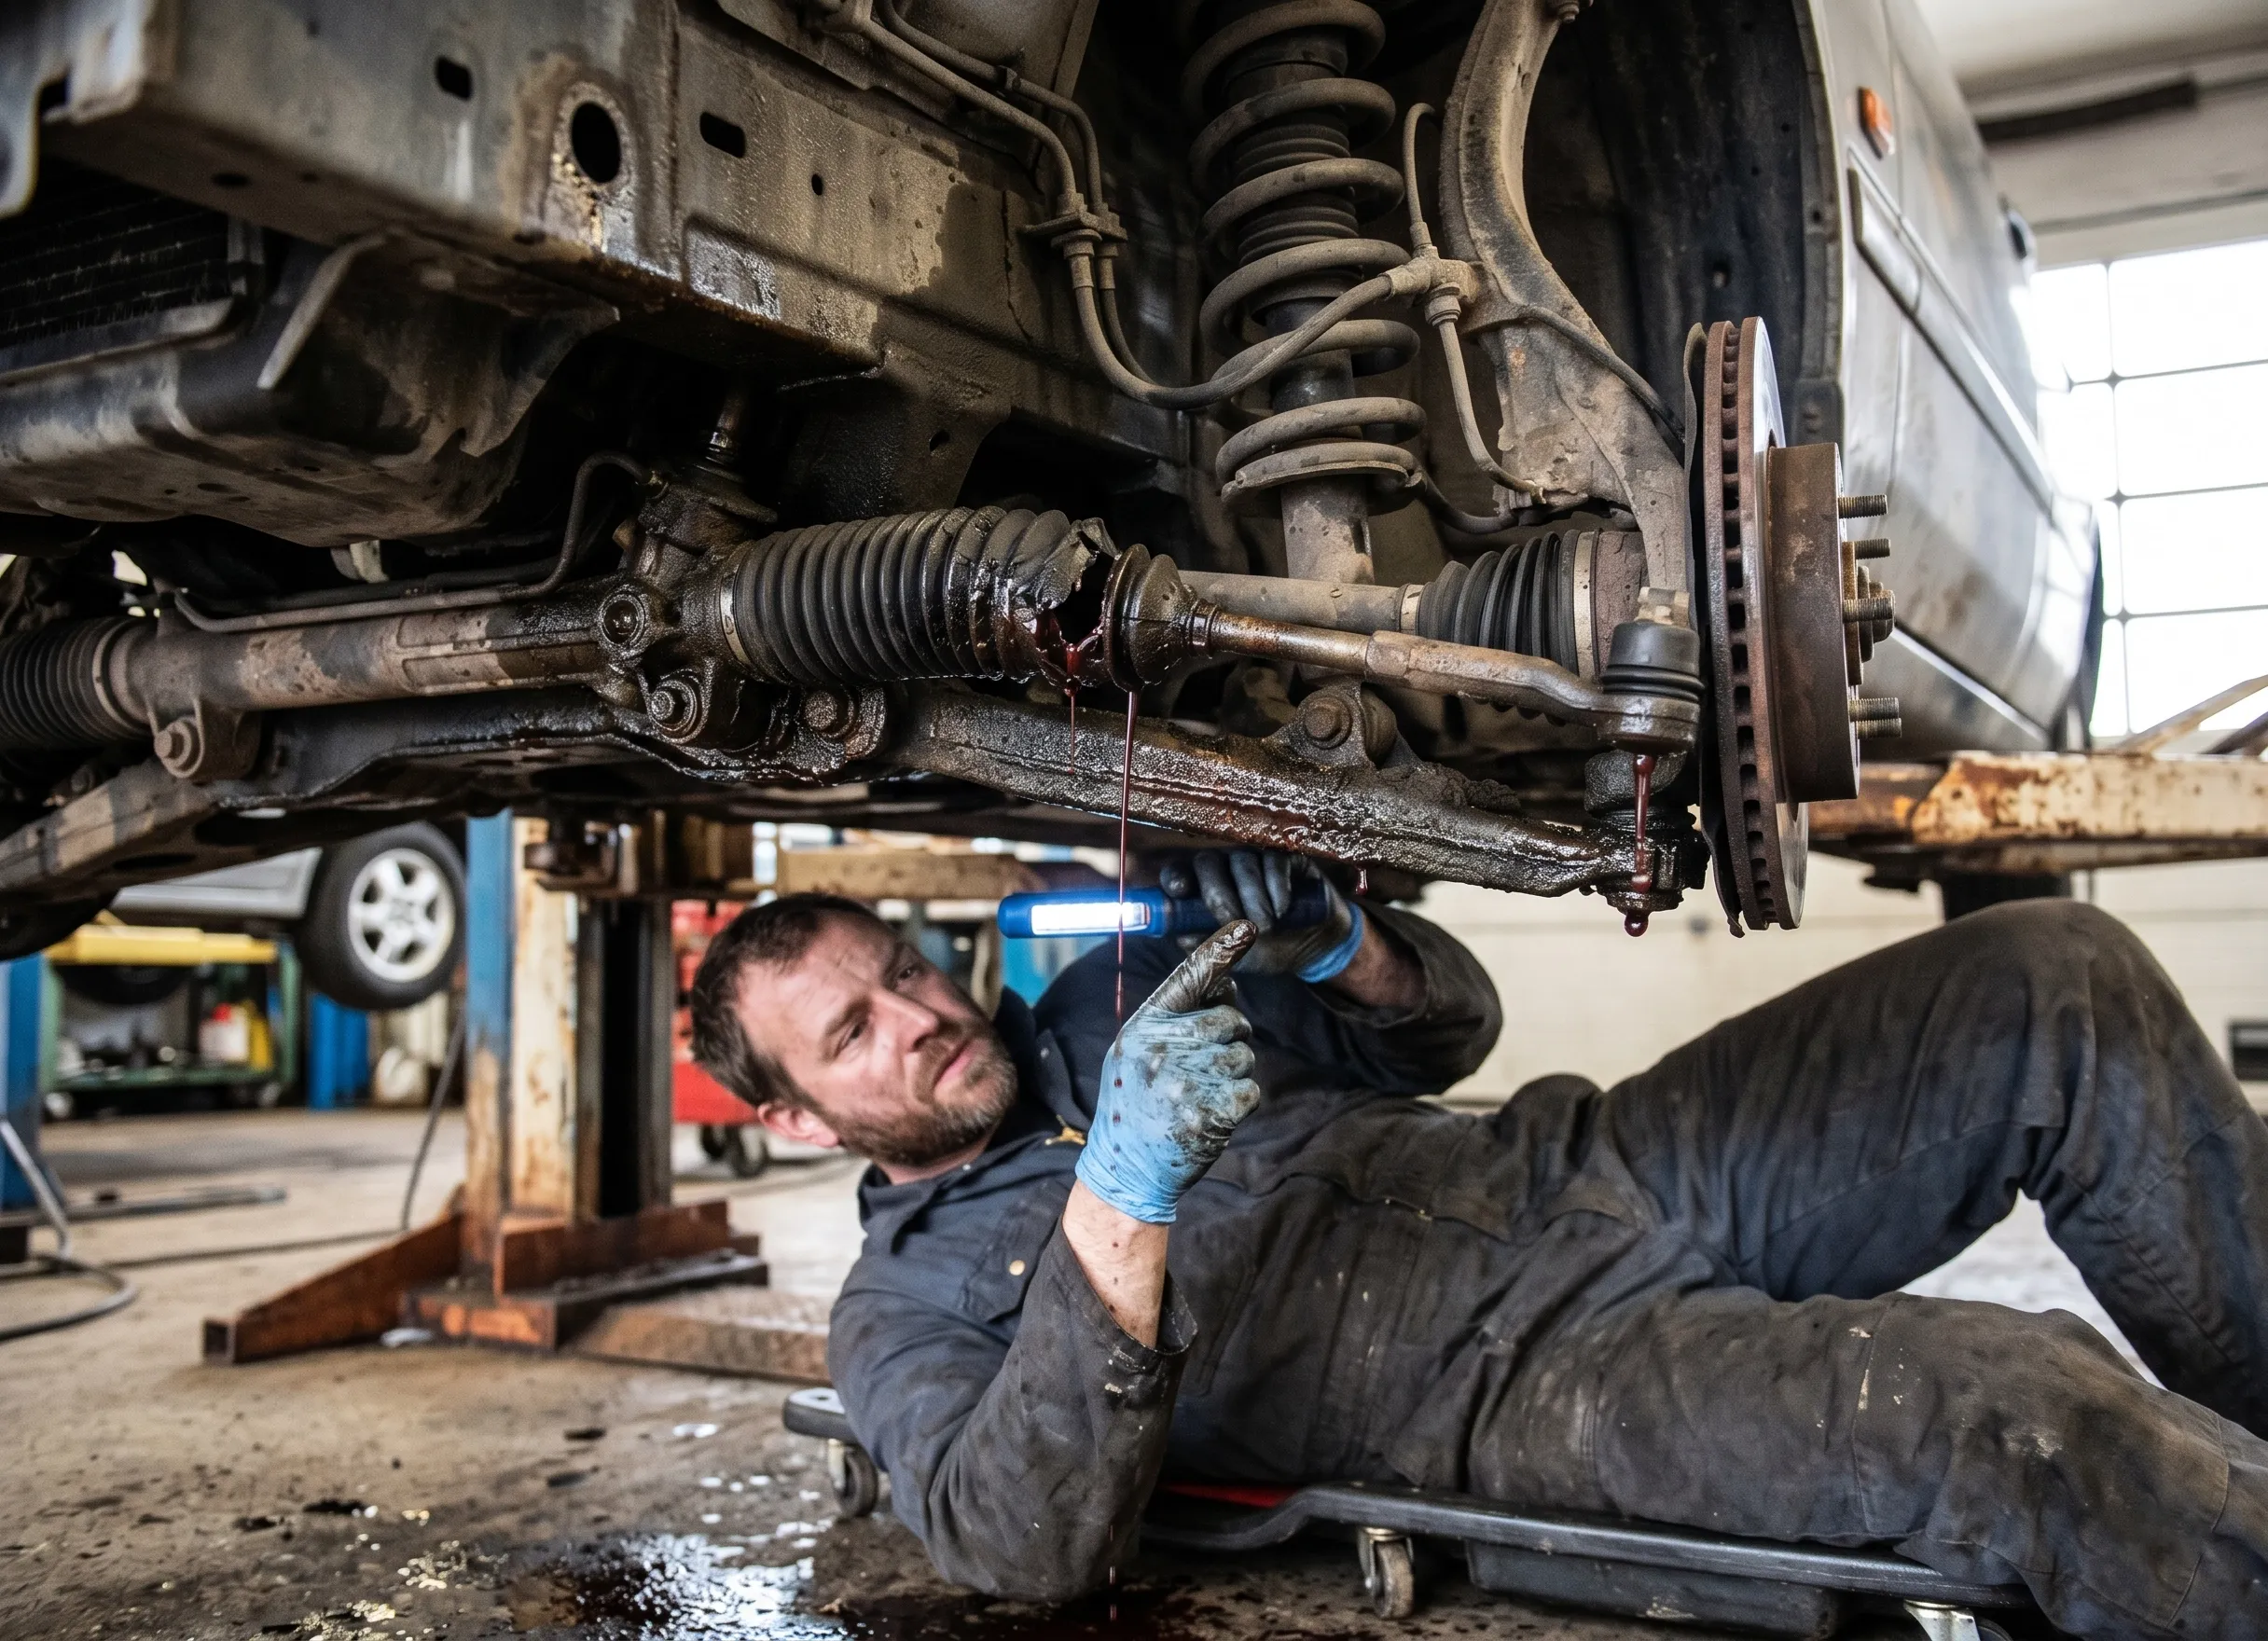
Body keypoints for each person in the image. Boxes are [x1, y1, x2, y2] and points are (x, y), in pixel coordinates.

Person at [688, 852, 2268, 1638]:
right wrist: (1125, 1193)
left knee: (2053, 973)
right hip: (1525, 1383)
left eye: (905, 969)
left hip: (1603, 1158)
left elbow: (1450, 1028)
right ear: (803, 1123)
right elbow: (1011, 1541)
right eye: (856, 1031)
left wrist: (1342, 939)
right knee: (2020, 1416)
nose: (922, 1018)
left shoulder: (1107, 1004)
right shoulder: (893, 1315)